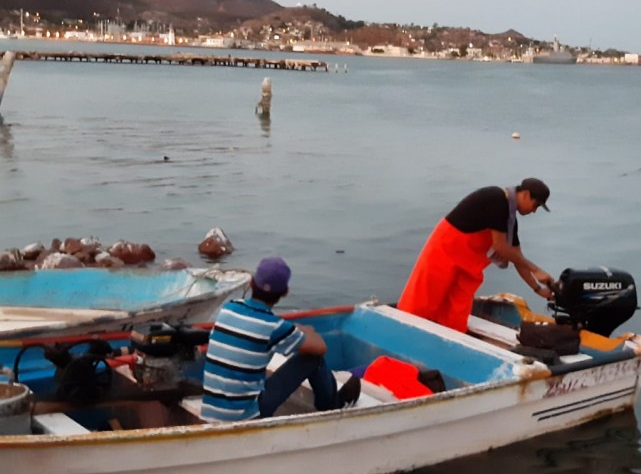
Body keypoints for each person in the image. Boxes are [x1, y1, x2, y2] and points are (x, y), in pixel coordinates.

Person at [200, 256, 360, 422]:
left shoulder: (228, 310)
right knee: (314, 359)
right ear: (285, 292)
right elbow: (320, 348)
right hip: (248, 416)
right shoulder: (274, 326)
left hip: (211, 413)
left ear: (251, 283)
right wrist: (305, 330)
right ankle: (333, 405)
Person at [397, 178, 555, 333]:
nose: (534, 211)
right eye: (536, 205)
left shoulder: (510, 221)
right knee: (421, 303)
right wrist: (536, 269)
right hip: (444, 253)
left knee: (456, 314)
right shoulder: (497, 199)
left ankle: (450, 346)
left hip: (467, 268)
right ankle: (402, 337)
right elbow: (500, 247)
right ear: (526, 194)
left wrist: (538, 289)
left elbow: (517, 258)